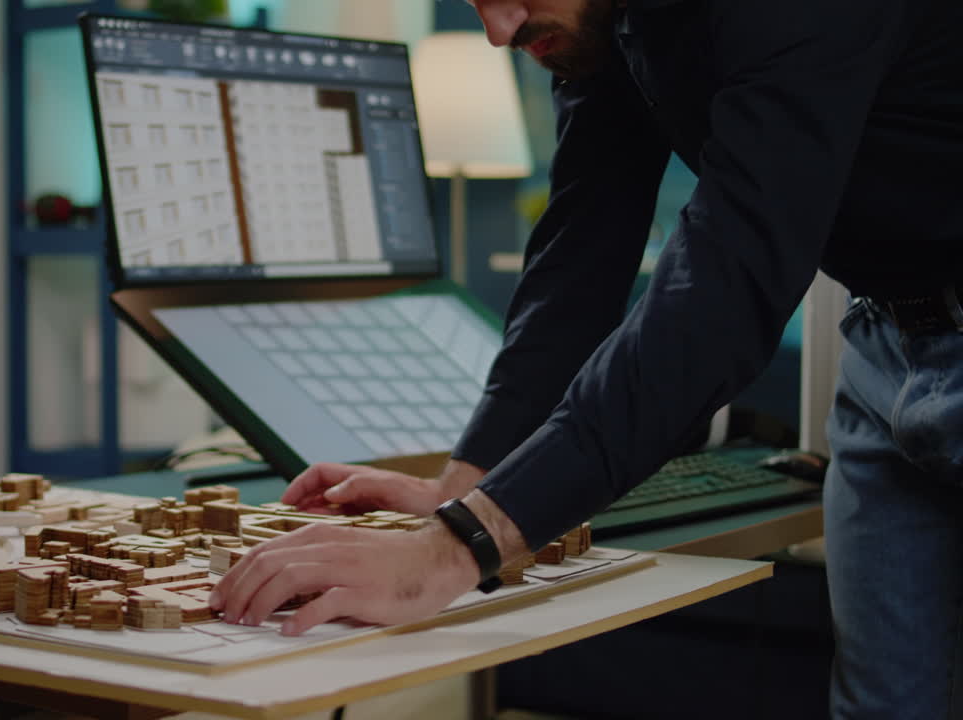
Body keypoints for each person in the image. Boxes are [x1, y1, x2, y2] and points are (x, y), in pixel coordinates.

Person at [212, 0, 963, 716]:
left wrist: (453, 552)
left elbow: (724, 294)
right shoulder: (614, 26)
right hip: (882, 347)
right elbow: (578, 259)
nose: (499, 31)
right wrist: (467, 486)